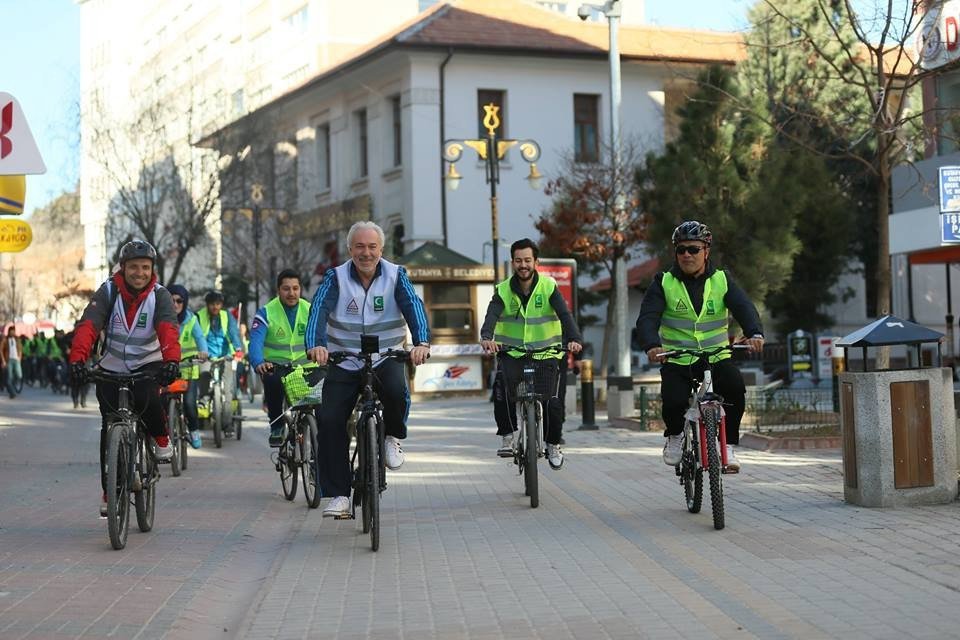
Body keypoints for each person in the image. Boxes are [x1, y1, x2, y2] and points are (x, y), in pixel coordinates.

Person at [306, 221, 431, 518]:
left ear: (381, 249)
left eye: (372, 246)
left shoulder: (396, 274)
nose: (366, 253)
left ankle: (392, 437)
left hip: (385, 356)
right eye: (360, 247)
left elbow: (414, 306)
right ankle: (339, 494)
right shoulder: (335, 277)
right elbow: (318, 311)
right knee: (330, 419)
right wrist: (316, 345)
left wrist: (421, 342)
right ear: (350, 250)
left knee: (398, 392)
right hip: (344, 358)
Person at [635, 221, 764, 473]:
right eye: (681, 250)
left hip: (716, 357)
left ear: (706, 251)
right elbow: (647, 317)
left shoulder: (721, 280)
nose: (686, 255)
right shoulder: (664, 282)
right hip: (678, 359)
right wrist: (651, 345)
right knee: (673, 401)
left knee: (735, 388)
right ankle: (674, 436)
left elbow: (744, 308)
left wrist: (754, 333)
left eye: (693, 249)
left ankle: (727, 446)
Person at [68, 239, 181, 516]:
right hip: (111, 366)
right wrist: (77, 360)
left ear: (152, 269)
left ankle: (160, 437)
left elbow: (168, 329)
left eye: (145, 267)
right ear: (123, 268)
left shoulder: (160, 295)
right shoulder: (108, 291)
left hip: (148, 365)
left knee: (147, 398)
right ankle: (110, 489)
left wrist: (171, 361)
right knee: (109, 429)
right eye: (133, 267)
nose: (139, 273)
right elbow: (89, 325)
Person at [479, 238, 583, 470]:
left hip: (546, 355)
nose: (523, 265)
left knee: (553, 403)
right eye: (518, 260)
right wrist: (487, 337)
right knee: (501, 392)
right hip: (512, 354)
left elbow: (565, 315)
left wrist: (575, 339)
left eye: (527, 260)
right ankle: (508, 436)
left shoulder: (548, 287)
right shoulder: (503, 290)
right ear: (513, 262)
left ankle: (553, 444)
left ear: (536, 262)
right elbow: (491, 316)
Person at [249, 269, 312, 446]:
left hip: (308, 368)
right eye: (286, 289)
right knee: (272, 381)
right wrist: (258, 362)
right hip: (277, 367)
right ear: (278, 290)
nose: (291, 293)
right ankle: (276, 426)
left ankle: (316, 438)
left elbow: (324, 336)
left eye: (295, 288)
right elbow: (255, 341)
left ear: (300, 289)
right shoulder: (266, 312)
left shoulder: (311, 310)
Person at [196, 290, 245, 431]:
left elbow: (233, 333)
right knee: (204, 374)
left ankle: (228, 423)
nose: (215, 307)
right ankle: (204, 400)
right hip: (207, 356)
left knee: (228, 389)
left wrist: (238, 348)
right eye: (212, 304)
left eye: (218, 304)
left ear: (221, 305)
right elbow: (197, 335)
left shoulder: (226, 316)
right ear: (207, 305)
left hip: (226, 356)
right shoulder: (199, 316)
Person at [168, 284, 208, 448]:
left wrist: (203, 352)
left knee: (190, 405)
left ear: (184, 303)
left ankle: (193, 430)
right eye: (171, 301)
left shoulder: (191, 320)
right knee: (160, 404)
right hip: (168, 370)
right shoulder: (161, 318)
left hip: (189, 370)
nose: (175, 304)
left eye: (179, 301)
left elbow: (200, 339)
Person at [1, 326, 24, 398]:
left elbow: (20, 349)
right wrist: (3, 360)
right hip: (9, 360)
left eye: (13, 331)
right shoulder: (5, 339)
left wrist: (20, 357)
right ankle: (12, 393)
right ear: (9, 331)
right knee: (9, 378)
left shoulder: (17, 339)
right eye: (11, 331)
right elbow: (1, 350)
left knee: (19, 375)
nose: (12, 332)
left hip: (16, 359)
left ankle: (13, 387)